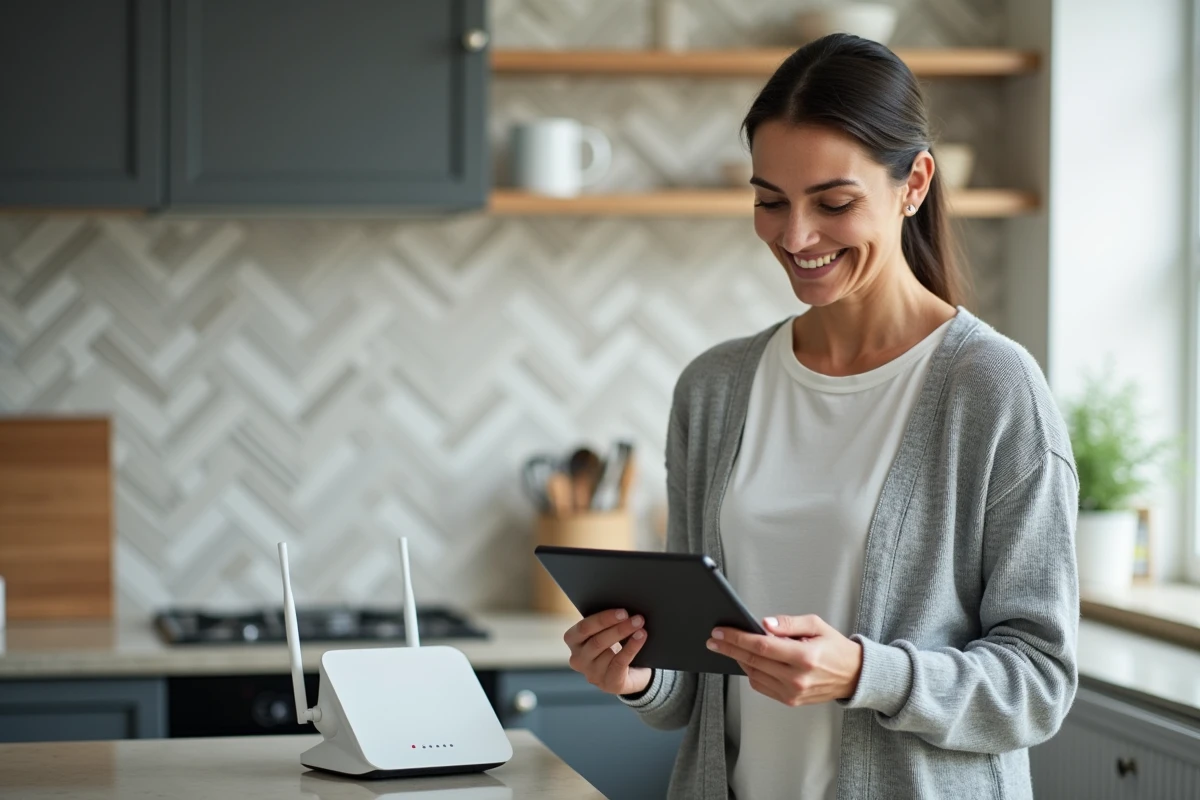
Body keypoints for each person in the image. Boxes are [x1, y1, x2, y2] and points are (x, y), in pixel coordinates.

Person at [560, 33, 1079, 800]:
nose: (795, 237)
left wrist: (867, 674)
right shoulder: (714, 389)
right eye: (769, 200)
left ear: (915, 184)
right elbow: (690, 691)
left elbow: (1039, 683)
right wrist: (637, 673)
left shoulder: (992, 389)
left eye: (833, 203)